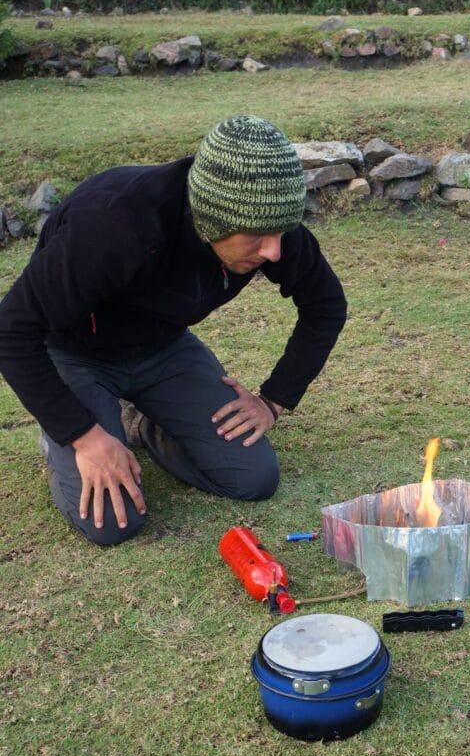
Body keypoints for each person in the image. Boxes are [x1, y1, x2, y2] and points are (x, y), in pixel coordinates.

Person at [0, 115, 347, 546]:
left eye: (281, 232)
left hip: (163, 349)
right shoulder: (114, 224)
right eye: (259, 236)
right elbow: (11, 330)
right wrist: (82, 435)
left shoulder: (268, 220)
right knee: (112, 523)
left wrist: (273, 401)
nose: (274, 251)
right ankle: (63, 438)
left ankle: (143, 423)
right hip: (75, 352)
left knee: (254, 477)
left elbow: (326, 305)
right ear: (214, 219)